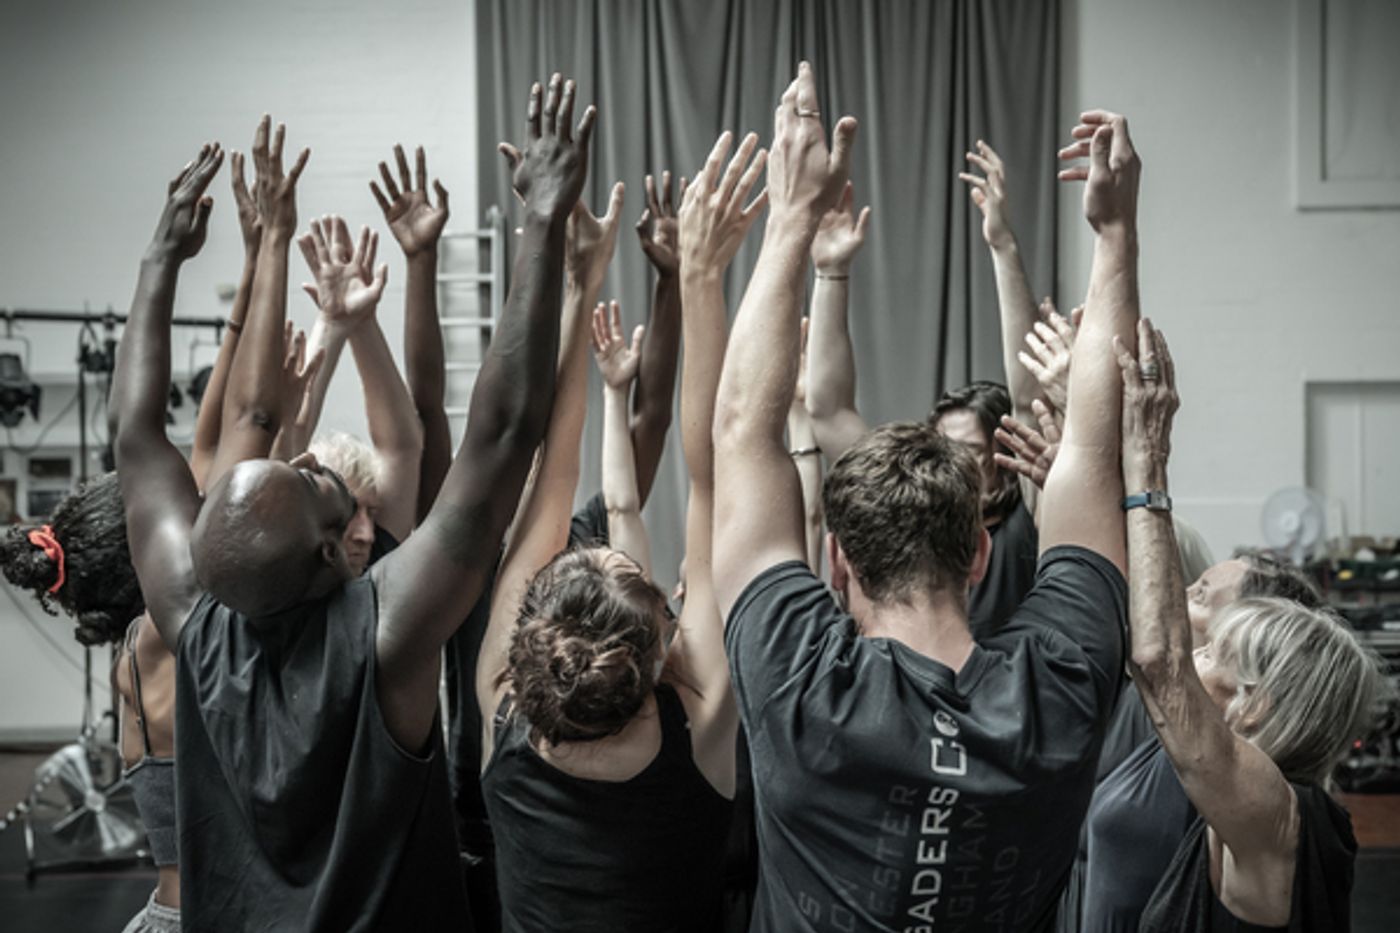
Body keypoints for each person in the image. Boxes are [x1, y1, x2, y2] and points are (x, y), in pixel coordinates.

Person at [109, 70, 593, 930]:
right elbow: (505, 434)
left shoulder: (194, 619)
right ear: (335, 552)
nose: (312, 462)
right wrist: (543, 220)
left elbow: (137, 436)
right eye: (317, 486)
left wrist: (158, 261)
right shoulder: (386, 634)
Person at [711, 64, 1136, 931]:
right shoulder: (1058, 684)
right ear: (980, 551)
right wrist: (1116, 237)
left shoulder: (800, 684)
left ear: (836, 559)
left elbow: (739, 430)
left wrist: (790, 212)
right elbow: (1095, 450)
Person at [475, 129, 765, 933]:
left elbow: (550, 482)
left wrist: (579, 283)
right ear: (656, 650)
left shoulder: (502, 708)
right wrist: (701, 278)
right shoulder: (701, 720)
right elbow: (710, 480)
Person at [1109, 317, 1384, 932]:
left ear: (1254, 707)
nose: (1193, 656)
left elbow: (1159, 662)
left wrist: (1146, 467)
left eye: (1215, 654)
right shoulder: (1261, 809)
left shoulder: (1277, 812)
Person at [803, 143, 1047, 637]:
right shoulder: (911, 511)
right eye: (943, 448)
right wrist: (831, 270)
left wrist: (1002, 247)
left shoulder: (1029, 524)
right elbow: (828, 412)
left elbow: (1029, 402)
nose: (951, 463)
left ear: (1007, 463)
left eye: (971, 452)